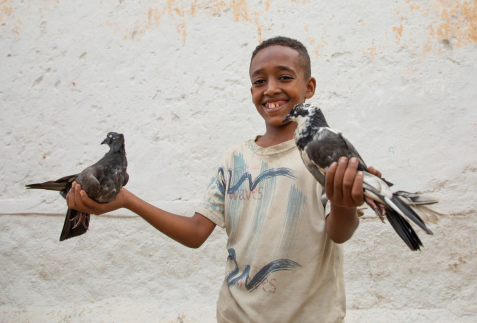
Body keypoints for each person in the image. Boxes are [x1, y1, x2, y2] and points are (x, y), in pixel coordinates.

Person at [67, 36, 381, 322]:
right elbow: (195, 233)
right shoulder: (233, 160)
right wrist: (125, 200)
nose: (270, 88)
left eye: (284, 77)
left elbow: (340, 233)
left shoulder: (326, 152)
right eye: (259, 81)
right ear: (251, 91)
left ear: (309, 87)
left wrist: (344, 205)